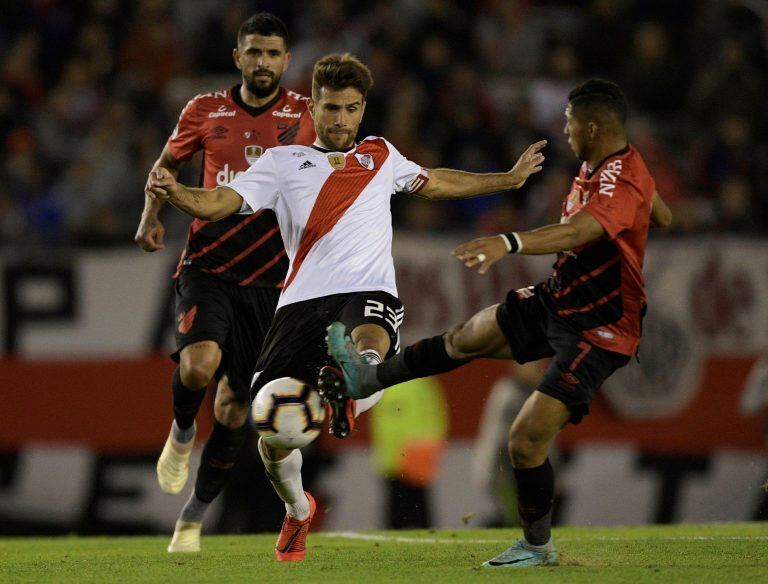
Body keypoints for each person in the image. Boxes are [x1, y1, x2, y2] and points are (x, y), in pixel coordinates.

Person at [146, 53, 547, 561]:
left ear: (363, 109)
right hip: (296, 308)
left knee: (367, 336)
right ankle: (297, 510)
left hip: (367, 293)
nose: (341, 119)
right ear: (313, 106)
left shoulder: (381, 155)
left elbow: (437, 181)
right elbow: (220, 204)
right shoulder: (280, 162)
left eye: (351, 109)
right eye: (332, 108)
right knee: (272, 434)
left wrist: (506, 180)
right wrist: (177, 191)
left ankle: (361, 374)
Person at [327, 78, 673, 568]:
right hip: (560, 299)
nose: (565, 131)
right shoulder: (609, 165)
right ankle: (366, 379)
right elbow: (664, 216)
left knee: (525, 440)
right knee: (466, 337)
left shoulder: (619, 179)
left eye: (570, 123)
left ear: (593, 127)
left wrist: (507, 241)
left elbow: (577, 229)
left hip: (600, 327)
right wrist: (644, 210)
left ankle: (536, 546)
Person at [133, 13, 315, 553]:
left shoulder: (306, 114)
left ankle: (191, 518)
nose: (263, 62)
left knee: (237, 408)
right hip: (208, 264)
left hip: (270, 281)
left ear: (286, 60)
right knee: (198, 364)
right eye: (253, 52)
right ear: (238, 58)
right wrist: (149, 217)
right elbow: (166, 165)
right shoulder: (203, 109)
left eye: (273, 53)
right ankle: (182, 432)